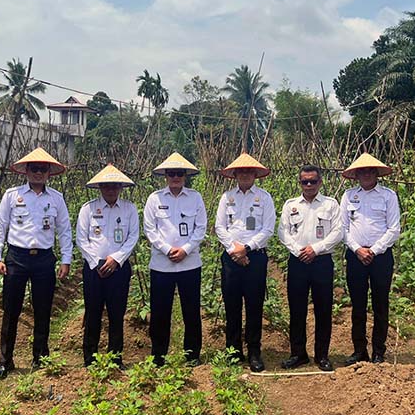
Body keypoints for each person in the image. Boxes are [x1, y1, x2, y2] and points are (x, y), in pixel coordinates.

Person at [0, 147, 73, 379]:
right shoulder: (12, 195)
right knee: (11, 311)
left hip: (44, 260)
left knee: (43, 310)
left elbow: (65, 230)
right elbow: (0, 228)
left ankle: (40, 358)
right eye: (33, 169)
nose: (38, 173)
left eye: (42, 169)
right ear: (26, 171)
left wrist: (66, 259)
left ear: (48, 172)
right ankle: (6, 361)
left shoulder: (56, 198)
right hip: (16, 258)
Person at [143, 152, 207, 366]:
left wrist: (186, 250)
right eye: (172, 173)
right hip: (162, 265)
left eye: (179, 173)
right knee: (160, 312)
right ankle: (158, 356)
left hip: (190, 264)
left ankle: (192, 356)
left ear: (185, 176)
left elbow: (201, 228)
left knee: (191, 311)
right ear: (166, 176)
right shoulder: (155, 199)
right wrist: (168, 249)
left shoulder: (196, 197)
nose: (176, 177)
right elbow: (150, 230)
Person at [277, 165, 343, 371]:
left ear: (320, 182)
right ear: (300, 183)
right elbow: (283, 232)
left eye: (312, 181)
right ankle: (298, 354)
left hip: (321, 262)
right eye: (304, 181)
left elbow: (338, 232)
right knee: (297, 310)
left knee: (323, 309)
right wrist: (299, 251)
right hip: (297, 262)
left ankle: (322, 355)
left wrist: (315, 249)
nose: (308, 185)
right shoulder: (291, 205)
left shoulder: (331, 205)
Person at [214, 153, 276, 372]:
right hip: (231, 258)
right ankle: (233, 350)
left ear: (255, 174)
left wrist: (246, 248)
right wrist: (234, 250)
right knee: (231, 305)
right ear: (235, 174)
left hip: (255, 258)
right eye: (241, 171)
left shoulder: (264, 198)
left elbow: (268, 229)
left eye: (250, 171)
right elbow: (220, 227)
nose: (246, 174)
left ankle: (254, 352)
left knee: (254, 305)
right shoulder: (226, 197)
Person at [75, 164, 139, 368]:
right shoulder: (88, 209)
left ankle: (115, 357)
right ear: (100, 187)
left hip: (119, 268)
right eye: (106, 185)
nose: (111, 189)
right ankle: (89, 358)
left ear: (120, 187)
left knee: (117, 314)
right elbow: (81, 239)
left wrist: (116, 259)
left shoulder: (129, 209)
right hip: (94, 269)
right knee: (93, 312)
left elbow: (133, 237)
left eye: (115, 185)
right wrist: (96, 263)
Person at [340, 153, 400, 366]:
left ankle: (378, 351)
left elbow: (394, 229)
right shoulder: (348, 196)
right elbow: (343, 228)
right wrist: (357, 249)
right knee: (357, 305)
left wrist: (373, 250)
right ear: (356, 175)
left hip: (381, 257)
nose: (366, 174)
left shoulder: (388, 196)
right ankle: (359, 350)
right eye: (362, 171)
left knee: (380, 304)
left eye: (370, 170)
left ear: (376, 173)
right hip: (356, 256)